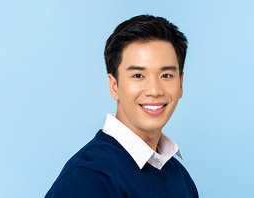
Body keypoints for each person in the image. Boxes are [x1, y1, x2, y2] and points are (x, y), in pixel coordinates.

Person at [45, 14, 199, 198]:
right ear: (114, 85)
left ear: (181, 84)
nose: (154, 90)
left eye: (166, 75)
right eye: (138, 75)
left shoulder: (179, 177)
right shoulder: (86, 178)